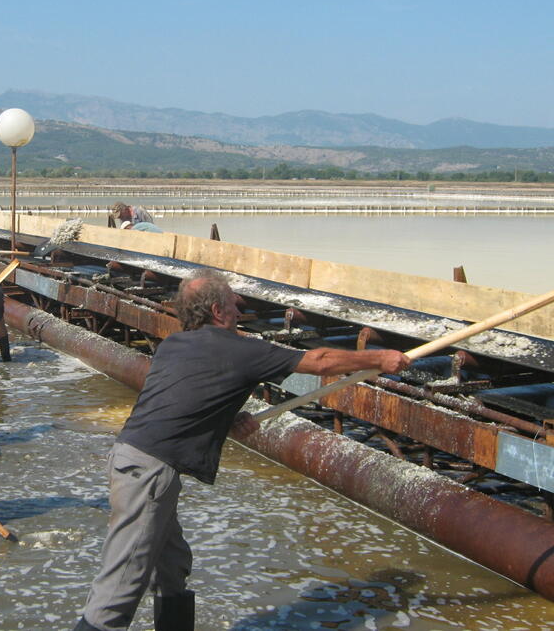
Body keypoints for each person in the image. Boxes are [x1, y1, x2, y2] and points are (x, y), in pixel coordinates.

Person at [73, 270, 410, 631]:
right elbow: (321, 362)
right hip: (149, 474)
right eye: (234, 304)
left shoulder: (173, 345)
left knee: (172, 567)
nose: (238, 310)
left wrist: (227, 420)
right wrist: (378, 359)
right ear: (218, 311)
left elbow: (182, 402)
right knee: (119, 587)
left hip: (131, 460)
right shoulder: (241, 349)